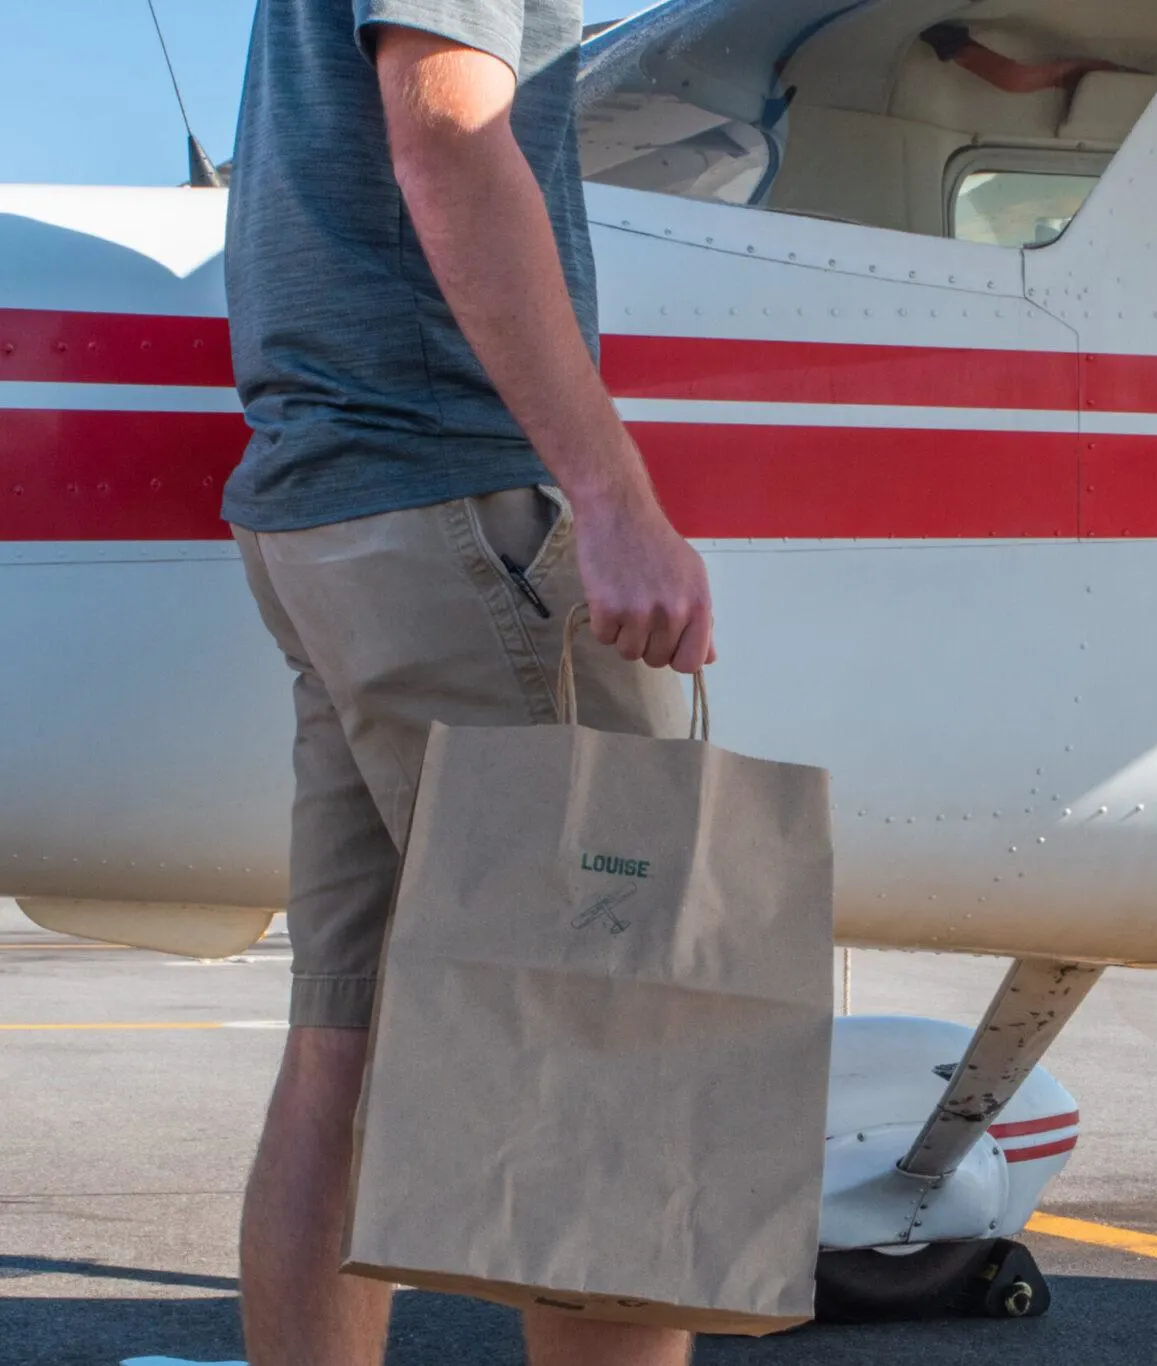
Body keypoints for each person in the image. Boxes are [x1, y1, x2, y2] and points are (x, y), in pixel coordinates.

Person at [222, 2, 707, 1362]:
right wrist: (612, 496)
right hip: (460, 506)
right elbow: (447, 132)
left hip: (330, 511)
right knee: (604, 1040)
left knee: (350, 1038)